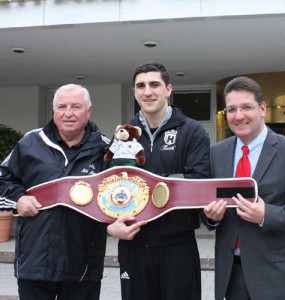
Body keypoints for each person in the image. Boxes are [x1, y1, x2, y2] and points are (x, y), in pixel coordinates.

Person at [107, 62, 211, 300]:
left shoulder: (192, 131)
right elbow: (110, 187)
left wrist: (148, 185)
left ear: (168, 89)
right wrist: (110, 226)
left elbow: (198, 183)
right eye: (140, 86)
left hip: (178, 244)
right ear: (134, 92)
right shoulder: (123, 135)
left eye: (154, 84)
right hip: (134, 243)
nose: (147, 91)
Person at [0, 84, 110, 300]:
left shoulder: (106, 149)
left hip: (83, 266)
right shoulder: (30, 142)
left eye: (76, 106)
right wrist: (18, 200)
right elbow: (2, 180)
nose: (68, 113)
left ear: (89, 111)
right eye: (62, 106)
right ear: (53, 111)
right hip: (35, 262)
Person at [204, 76, 285, 300]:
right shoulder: (216, 153)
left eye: (246, 107)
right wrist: (211, 217)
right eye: (232, 109)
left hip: (276, 274)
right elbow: (208, 200)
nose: (239, 116)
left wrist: (267, 215)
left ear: (263, 108)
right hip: (231, 273)